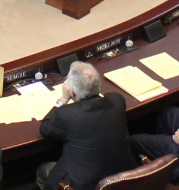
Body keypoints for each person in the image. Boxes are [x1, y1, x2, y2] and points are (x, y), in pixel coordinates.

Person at [36, 62, 135, 190]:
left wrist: (63, 99)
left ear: (72, 91)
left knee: (43, 170)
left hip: (85, 185)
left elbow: (45, 128)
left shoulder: (68, 114)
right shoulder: (117, 101)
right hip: (123, 178)